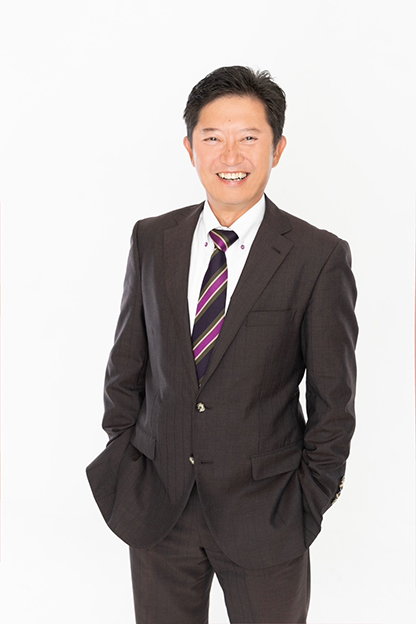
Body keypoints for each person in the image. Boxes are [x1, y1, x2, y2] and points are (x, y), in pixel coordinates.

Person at [87, 65, 358, 624]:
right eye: (212, 138)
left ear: (277, 149)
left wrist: (310, 498)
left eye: (249, 137)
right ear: (190, 148)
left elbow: (334, 400)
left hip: (268, 514)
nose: (230, 155)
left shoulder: (318, 256)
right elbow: (127, 366)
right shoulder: (152, 238)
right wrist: (127, 457)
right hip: (159, 507)